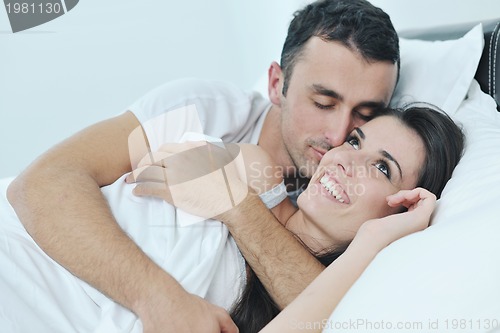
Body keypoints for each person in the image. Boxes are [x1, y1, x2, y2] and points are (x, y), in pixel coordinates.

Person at [6, 0, 400, 332]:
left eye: (365, 115)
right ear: (277, 84)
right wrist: (158, 299)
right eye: (323, 104)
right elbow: (43, 182)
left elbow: (330, 315)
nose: (338, 134)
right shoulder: (208, 113)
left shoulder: (346, 201)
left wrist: (240, 207)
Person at [0, 106, 464, 333]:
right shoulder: (249, 160)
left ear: (402, 205)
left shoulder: (331, 307)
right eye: (356, 141)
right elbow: (37, 185)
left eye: (382, 169)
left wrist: (374, 240)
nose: (345, 159)